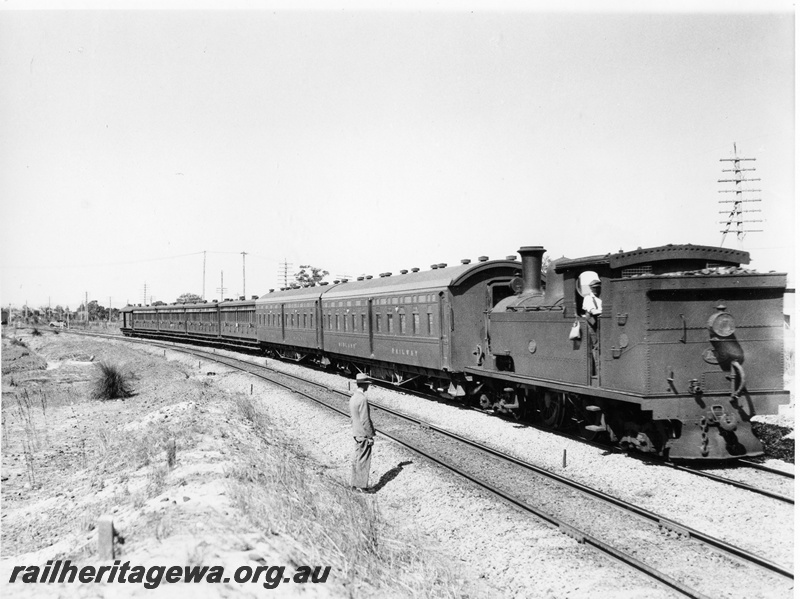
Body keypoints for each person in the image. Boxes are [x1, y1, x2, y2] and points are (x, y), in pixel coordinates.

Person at [349, 372, 376, 492]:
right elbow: (365, 420)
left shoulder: (353, 397)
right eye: (368, 384)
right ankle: (362, 486)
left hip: (356, 432)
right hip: (363, 434)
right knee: (364, 460)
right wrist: (370, 435)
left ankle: (354, 485)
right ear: (365, 385)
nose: (368, 387)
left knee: (357, 458)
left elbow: (353, 417)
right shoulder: (363, 399)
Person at [582, 279, 602, 376]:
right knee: (596, 346)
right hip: (593, 324)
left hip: (600, 324)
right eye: (594, 288)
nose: (596, 290)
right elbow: (593, 311)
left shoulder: (601, 298)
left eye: (598, 288)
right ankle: (598, 371)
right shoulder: (588, 298)